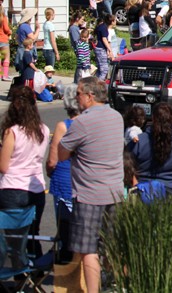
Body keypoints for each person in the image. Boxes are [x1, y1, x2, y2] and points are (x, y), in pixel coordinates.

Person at [58, 77, 124, 293]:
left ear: (89, 96)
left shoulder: (82, 122)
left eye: (78, 94)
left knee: (88, 249)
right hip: (114, 191)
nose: (76, 98)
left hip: (89, 193)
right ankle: (114, 285)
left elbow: (62, 153)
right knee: (111, 245)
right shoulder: (116, 117)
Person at [0, 85, 49, 258]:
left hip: (12, 187)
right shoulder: (43, 130)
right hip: (36, 187)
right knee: (32, 233)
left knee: (13, 238)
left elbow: (3, 166)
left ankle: (16, 269)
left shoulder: (12, 132)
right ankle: (35, 265)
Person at [46, 83, 79, 262]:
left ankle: (66, 263)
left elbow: (53, 160)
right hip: (85, 183)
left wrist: (49, 171)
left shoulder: (63, 126)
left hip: (65, 181)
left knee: (65, 228)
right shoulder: (89, 124)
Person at [128, 103, 172, 198]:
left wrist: (134, 183)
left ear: (153, 118)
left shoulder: (139, 141)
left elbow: (127, 163)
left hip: (142, 191)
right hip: (170, 191)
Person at [14, 8, 40, 74]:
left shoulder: (20, 26)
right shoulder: (26, 26)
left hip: (21, 48)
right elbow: (33, 38)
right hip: (27, 48)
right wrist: (38, 29)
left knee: (22, 68)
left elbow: (16, 37)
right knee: (28, 66)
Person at [94, 14, 115, 79]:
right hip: (101, 49)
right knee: (104, 70)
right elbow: (104, 39)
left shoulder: (101, 26)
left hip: (98, 48)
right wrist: (110, 49)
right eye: (114, 20)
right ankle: (99, 84)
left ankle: (94, 82)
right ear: (111, 21)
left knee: (100, 70)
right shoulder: (104, 28)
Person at [0, 0, 10, 82]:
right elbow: (6, 29)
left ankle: (0, 74)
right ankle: (5, 75)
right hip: (3, 39)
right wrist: (10, 32)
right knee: (6, 57)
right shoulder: (3, 16)